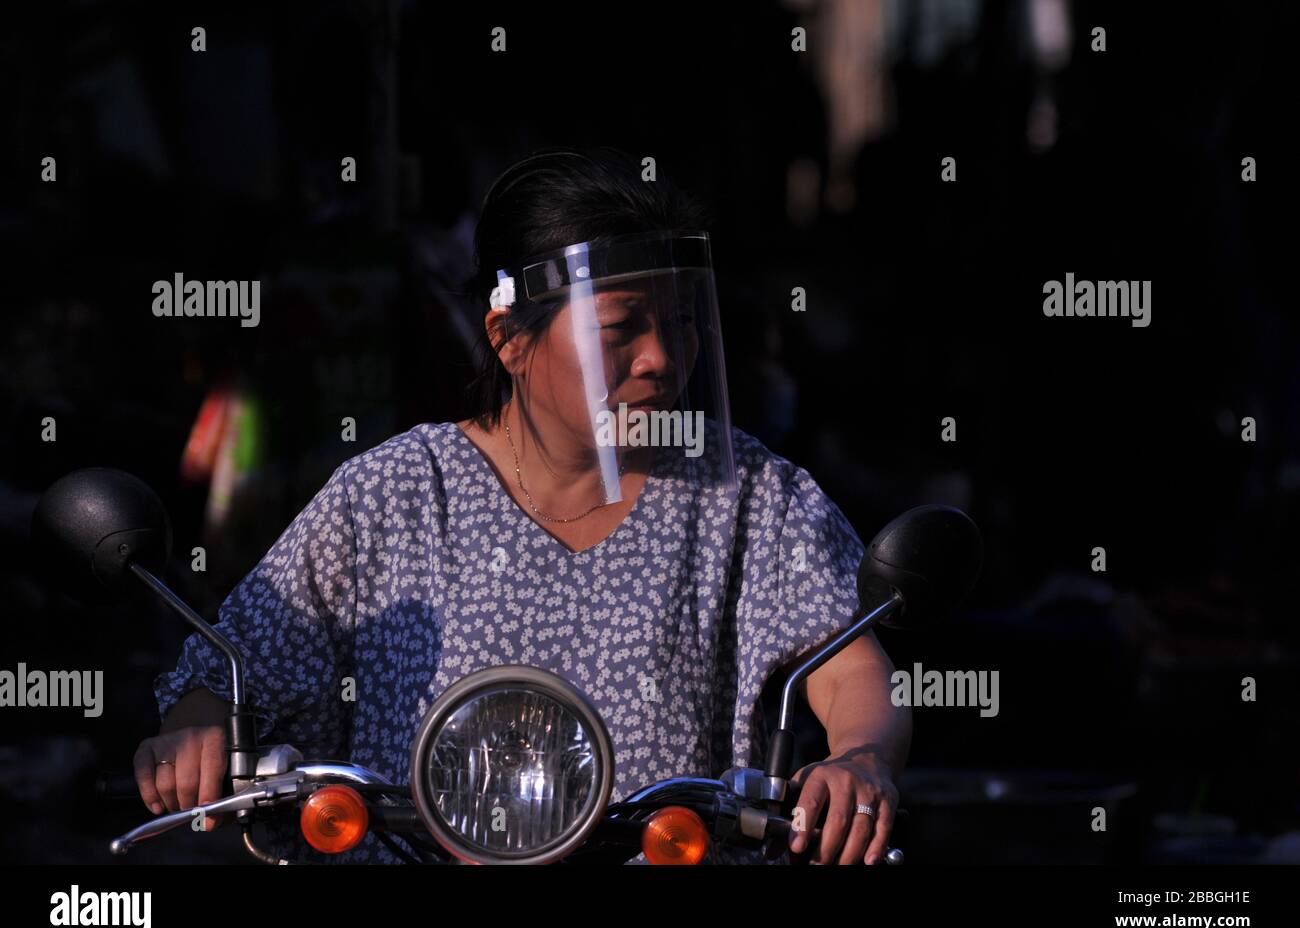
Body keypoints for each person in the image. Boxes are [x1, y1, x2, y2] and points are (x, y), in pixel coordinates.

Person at [137, 146, 911, 865]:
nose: (663, 359)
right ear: (510, 339)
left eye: (681, 322)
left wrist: (860, 756)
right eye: (623, 328)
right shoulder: (394, 494)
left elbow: (847, 664)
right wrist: (196, 730)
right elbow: (231, 667)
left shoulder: (748, 493)